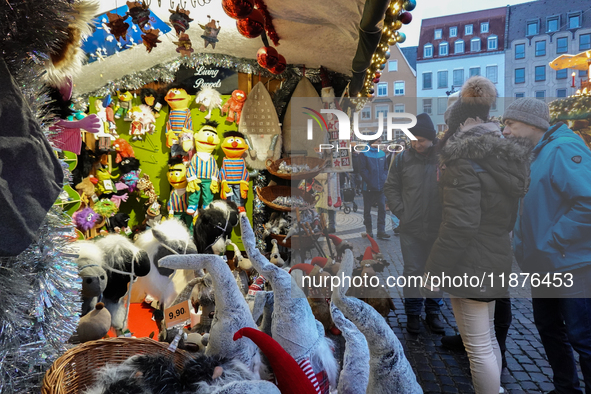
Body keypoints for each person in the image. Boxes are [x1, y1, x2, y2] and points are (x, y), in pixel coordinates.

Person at [423, 76, 531, 394]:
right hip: (495, 256)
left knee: (478, 347)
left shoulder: (462, 161)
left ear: (458, 129)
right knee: (487, 340)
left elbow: (460, 224)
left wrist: (434, 272)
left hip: (471, 262)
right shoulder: (505, 156)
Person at [502, 97, 591, 394]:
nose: (505, 131)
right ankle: (566, 388)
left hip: (571, 264)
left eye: (510, 124)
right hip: (544, 262)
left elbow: (587, 203)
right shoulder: (537, 152)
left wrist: (552, 241)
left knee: (582, 337)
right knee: (550, 329)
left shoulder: (563, 149)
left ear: (532, 124)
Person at [384, 113, 444, 334]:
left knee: (436, 271)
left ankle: (433, 312)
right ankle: (412, 313)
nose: (417, 144)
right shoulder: (402, 158)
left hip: (438, 226)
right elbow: (391, 186)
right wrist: (402, 211)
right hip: (411, 226)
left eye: (421, 140)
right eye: (413, 139)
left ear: (431, 139)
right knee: (412, 271)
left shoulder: (443, 158)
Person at [357, 138, 390, 240]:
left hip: (380, 186)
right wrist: (370, 181)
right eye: (378, 141)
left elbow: (385, 168)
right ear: (372, 142)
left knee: (382, 209)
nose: (380, 143)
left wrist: (383, 178)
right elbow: (362, 170)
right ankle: (369, 230)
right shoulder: (364, 153)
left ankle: (381, 230)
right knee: (367, 209)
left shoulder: (382, 154)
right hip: (368, 187)